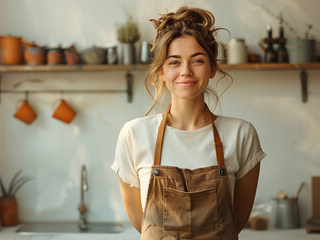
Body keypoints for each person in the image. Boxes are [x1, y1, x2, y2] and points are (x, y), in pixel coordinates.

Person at [111, 6, 266, 240]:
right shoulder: (134, 134)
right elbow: (140, 223)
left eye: (197, 60)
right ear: (162, 71)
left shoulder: (241, 134)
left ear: (212, 68)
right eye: (174, 62)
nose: (186, 71)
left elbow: (237, 222)